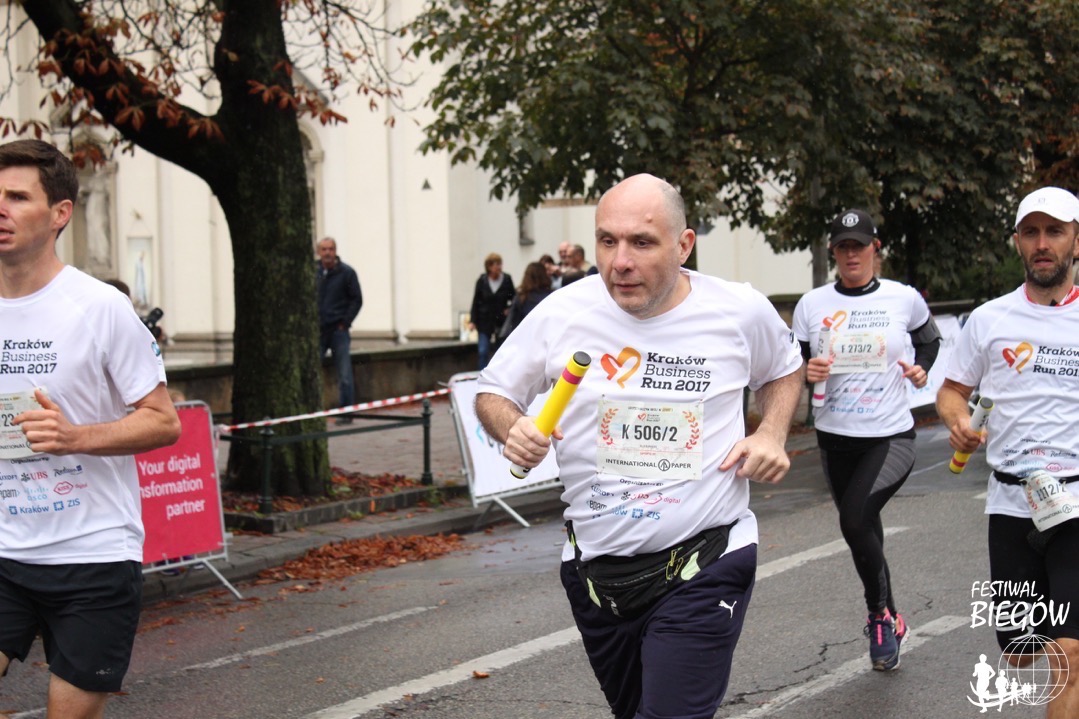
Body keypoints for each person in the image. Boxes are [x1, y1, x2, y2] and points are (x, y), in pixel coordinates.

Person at [475, 173, 803, 719]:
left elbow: (785, 368)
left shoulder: (737, 310)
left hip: (706, 560)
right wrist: (513, 427)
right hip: (596, 574)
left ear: (684, 244)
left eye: (642, 243)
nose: (619, 262)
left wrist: (770, 432)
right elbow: (492, 391)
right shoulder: (564, 311)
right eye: (607, 241)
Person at [0, 139, 181, 716]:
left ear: (60, 213)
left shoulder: (100, 307)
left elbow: (164, 421)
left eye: (16, 197)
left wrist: (74, 436)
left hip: (93, 553)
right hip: (5, 548)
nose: (0, 208)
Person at [937, 186, 1079, 719]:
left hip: (1075, 500)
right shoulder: (989, 319)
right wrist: (958, 422)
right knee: (1020, 651)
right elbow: (951, 391)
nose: (1042, 244)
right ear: (1017, 241)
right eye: (1031, 232)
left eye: (1055, 232)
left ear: (1076, 242)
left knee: (1069, 654)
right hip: (1011, 502)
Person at [792, 208, 940, 671]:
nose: (851, 254)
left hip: (890, 435)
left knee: (854, 521)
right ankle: (892, 617)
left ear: (875, 248)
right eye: (842, 247)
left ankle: (878, 615)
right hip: (835, 438)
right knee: (864, 528)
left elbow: (930, 341)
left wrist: (922, 370)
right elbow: (792, 366)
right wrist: (807, 371)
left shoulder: (903, 298)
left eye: (859, 245)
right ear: (833, 252)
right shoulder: (811, 305)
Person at [316, 237, 363, 425]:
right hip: (319, 330)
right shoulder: (314, 272)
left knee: (344, 375)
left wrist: (345, 322)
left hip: (338, 330)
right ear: (319, 252)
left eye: (331, 249)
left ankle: (346, 413)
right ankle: (312, 412)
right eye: (324, 249)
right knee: (311, 372)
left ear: (335, 251)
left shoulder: (347, 273)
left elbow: (357, 299)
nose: (327, 252)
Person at [468, 252, 514, 369]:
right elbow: (476, 301)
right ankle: (481, 373)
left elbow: (513, 298)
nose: (499, 267)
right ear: (489, 266)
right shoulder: (482, 281)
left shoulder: (506, 279)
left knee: (500, 351)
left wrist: (509, 309)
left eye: (500, 264)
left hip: (501, 321)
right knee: (483, 350)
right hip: (484, 320)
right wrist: (473, 320)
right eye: (496, 264)